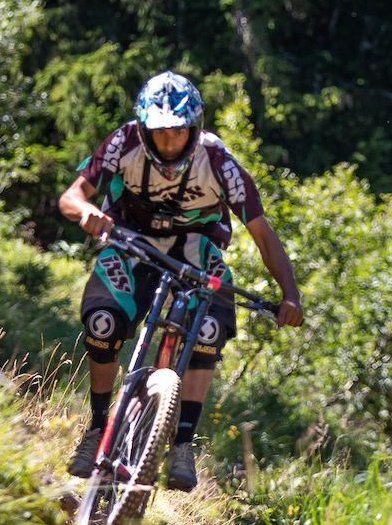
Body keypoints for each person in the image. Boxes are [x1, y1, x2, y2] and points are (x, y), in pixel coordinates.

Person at [58, 71, 303, 488]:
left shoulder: (220, 162)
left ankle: (182, 444)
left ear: (196, 128)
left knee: (208, 330)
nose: (169, 143)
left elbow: (262, 233)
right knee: (103, 324)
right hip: (130, 241)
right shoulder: (123, 143)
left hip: (197, 249)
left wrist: (290, 295)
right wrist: (86, 213)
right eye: (160, 134)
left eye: (178, 133)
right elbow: (71, 195)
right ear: (143, 128)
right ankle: (97, 428)